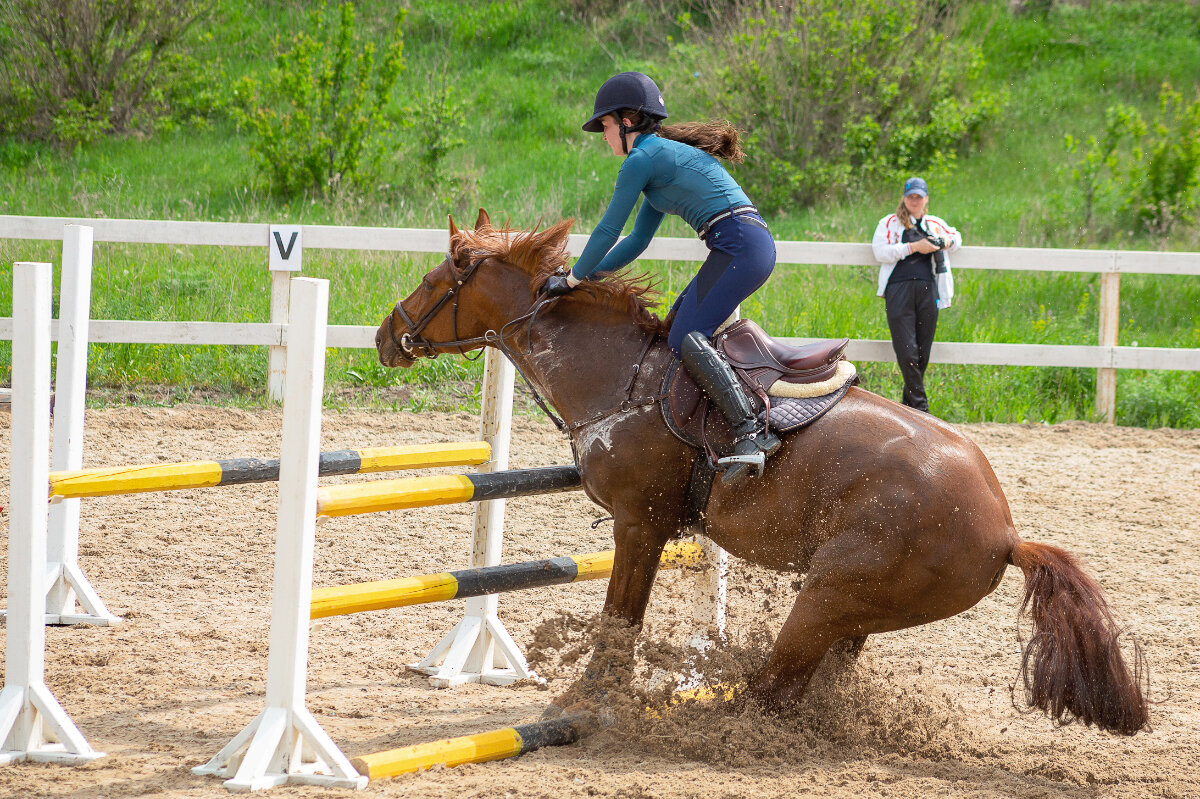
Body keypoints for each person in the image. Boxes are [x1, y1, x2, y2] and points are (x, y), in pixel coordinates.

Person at [540, 71, 778, 486]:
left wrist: (574, 280)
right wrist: (586, 276)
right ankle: (721, 429)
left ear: (628, 122)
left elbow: (607, 231)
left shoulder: (642, 160)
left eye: (606, 126)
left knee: (685, 337)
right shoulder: (655, 164)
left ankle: (751, 432)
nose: (602, 135)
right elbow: (634, 242)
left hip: (740, 245)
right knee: (676, 330)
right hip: (740, 245)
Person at [871, 176, 960, 413]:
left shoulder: (934, 223)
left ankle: (907, 410)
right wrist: (913, 247)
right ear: (904, 198)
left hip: (928, 290)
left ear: (926, 199)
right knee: (906, 350)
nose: (914, 200)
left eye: (919, 197)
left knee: (922, 351)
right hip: (898, 289)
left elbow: (956, 238)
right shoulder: (890, 223)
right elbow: (880, 252)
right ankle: (922, 410)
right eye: (911, 196)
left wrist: (944, 241)